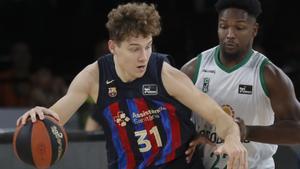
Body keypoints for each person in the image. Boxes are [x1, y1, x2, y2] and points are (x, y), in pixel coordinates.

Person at [16, 2, 247, 169]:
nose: (144, 56)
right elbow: (54, 119)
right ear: (113, 47)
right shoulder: (93, 77)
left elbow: (218, 116)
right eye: (134, 48)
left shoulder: (164, 73)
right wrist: (40, 116)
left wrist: (233, 138)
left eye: (148, 46)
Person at [182, 0, 300, 168]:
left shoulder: (270, 75)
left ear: (254, 30)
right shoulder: (193, 69)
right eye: (223, 26)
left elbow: (296, 131)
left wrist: (246, 131)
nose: (230, 34)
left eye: (239, 27)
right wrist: (190, 134)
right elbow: (172, 117)